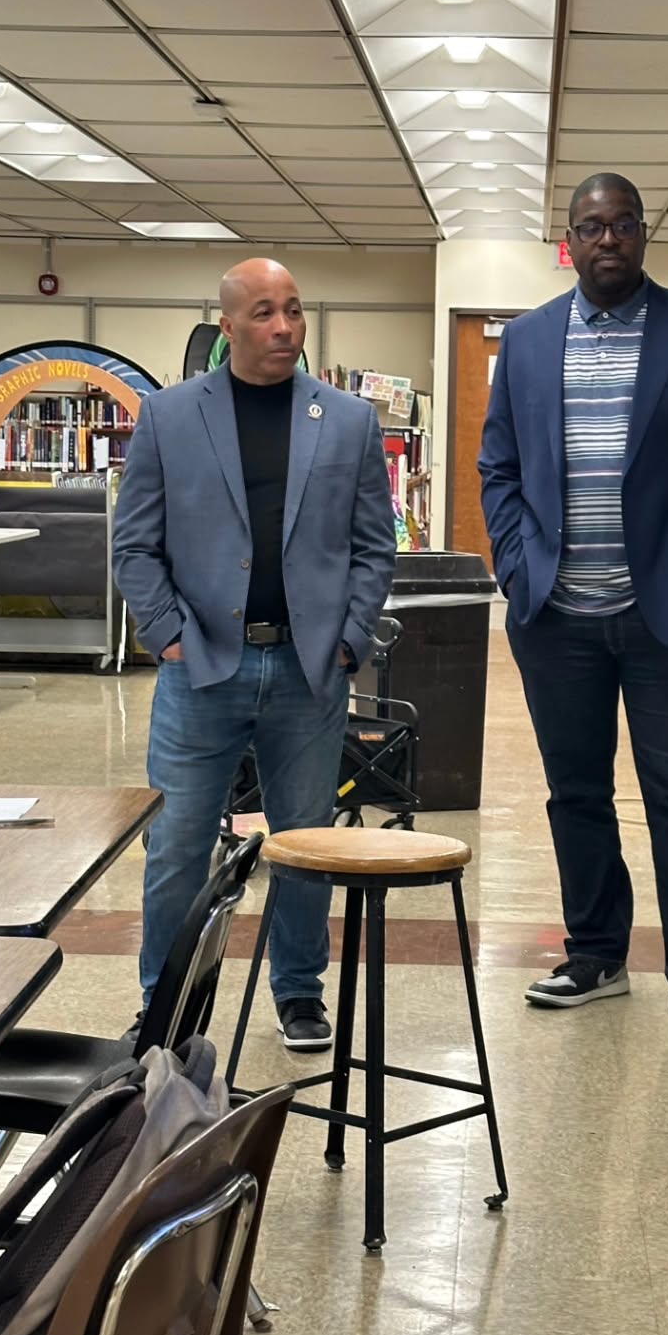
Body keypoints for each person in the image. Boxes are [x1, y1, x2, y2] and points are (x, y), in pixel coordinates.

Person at [478, 171, 668, 1034]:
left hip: (665, 610)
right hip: (555, 612)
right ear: (567, 241)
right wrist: (515, 562)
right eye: (591, 227)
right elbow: (499, 464)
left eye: (623, 226)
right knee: (575, 790)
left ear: (644, 235)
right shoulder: (527, 340)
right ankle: (596, 953)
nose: (608, 240)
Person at [113, 258, 396, 1050]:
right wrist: (167, 634)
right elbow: (134, 545)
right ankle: (164, 1003)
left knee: (303, 841)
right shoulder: (169, 418)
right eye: (265, 313)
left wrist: (349, 640)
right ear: (228, 325)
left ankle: (300, 993)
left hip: (309, 671)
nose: (284, 327)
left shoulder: (347, 421)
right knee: (177, 845)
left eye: (295, 311)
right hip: (201, 667)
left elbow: (375, 546)